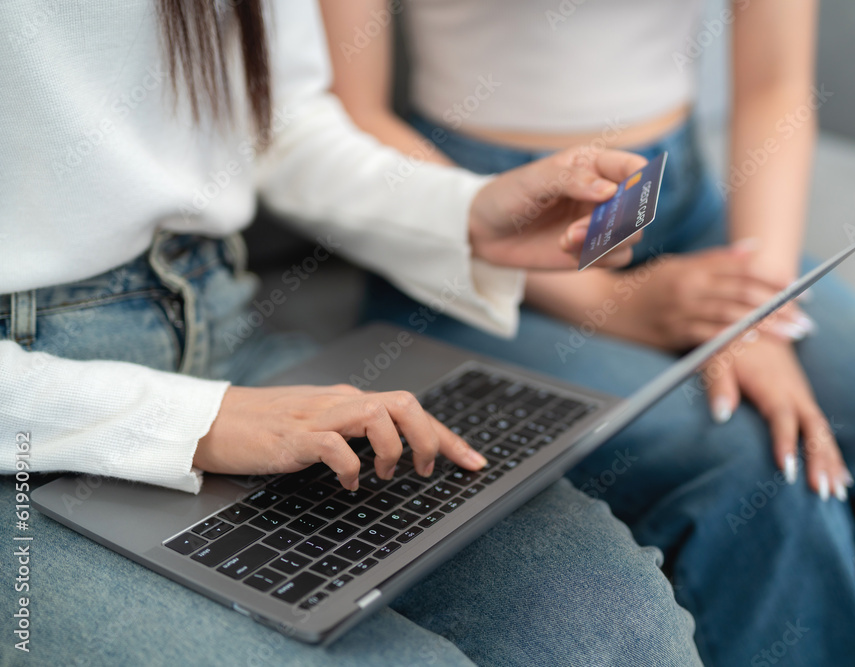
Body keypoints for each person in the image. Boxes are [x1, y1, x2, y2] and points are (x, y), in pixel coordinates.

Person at [0, 1, 704, 665]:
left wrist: (469, 210)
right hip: (32, 412)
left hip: (223, 329)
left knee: (624, 634)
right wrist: (198, 421)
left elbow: (283, 126)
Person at [322, 0, 855, 664]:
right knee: (753, 476)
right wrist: (608, 299)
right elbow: (354, 116)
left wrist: (754, 310)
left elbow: (776, 82)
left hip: (683, 208)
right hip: (464, 224)